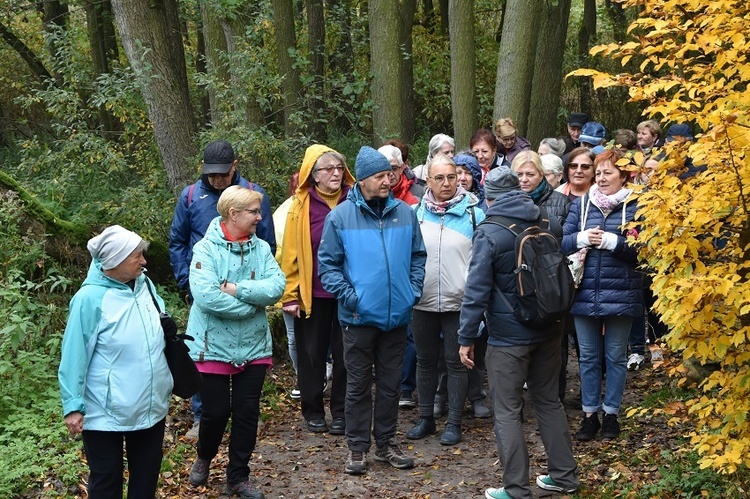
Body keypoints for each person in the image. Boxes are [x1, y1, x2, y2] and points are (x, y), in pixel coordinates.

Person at [458, 167, 579, 499]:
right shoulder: (546, 222)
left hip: (508, 338)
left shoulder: (490, 232)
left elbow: (476, 289)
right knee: (548, 402)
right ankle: (564, 478)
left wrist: (466, 337)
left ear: (489, 195)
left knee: (508, 409)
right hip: (550, 328)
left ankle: (515, 489)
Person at [318, 146, 427, 475]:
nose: (387, 180)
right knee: (358, 385)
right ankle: (357, 448)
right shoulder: (340, 217)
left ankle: (385, 443)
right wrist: (352, 298)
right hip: (357, 318)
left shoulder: (405, 213)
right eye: (380, 176)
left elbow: (417, 257)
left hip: (396, 317)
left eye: (389, 175)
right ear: (363, 180)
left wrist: (412, 291)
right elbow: (328, 267)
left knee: (392, 384)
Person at [169, 139, 276, 439]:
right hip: (205, 286)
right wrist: (186, 283)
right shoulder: (191, 196)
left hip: (243, 285)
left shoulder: (254, 196)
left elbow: (267, 244)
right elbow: (178, 242)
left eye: (222, 173)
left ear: (234, 166)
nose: (216, 178)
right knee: (205, 352)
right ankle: (203, 416)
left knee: (245, 349)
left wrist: (253, 290)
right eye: (211, 173)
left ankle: (244, 415)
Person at [186, 186, 285, 499]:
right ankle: (205, 454)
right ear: (233, 214)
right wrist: (253, 304)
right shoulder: (205, 250)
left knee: (246, 413)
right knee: (215, 412)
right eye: (254, 212)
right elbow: (207, 296)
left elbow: (277, 286)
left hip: (254, 345)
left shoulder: (261, 249)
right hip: (211, 344)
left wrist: (238, 289)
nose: (259, 217)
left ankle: (238, 478)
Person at [59, 225, 172, 498]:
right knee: (107, 481)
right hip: (105, 411)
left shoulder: (145, 284)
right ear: (114, 261)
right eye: (137, 256)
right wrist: (73, 404)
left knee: (145, 480)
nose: (144, 261)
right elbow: (74, 354)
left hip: (150, 405)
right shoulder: (89, 299)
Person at [562, 149, 643, 441]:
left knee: (615, 357)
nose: (601, 177)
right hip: (583, 293)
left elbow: (644, 252)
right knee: (588, 357)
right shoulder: (583, 205)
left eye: (608, 172)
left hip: (622, 293)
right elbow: (560, 241)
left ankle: (611, 414)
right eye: (599, 172)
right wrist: (581, 239)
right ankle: (589, 415)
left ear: (624, 175)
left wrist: (614, 243)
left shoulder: (636, 206)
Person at [405, 153, 486, 446]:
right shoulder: (415, 214)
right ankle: (426, 417)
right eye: (439, 178)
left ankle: (454, 422)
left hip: (459, 302)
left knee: (456, 362)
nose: (447, 183)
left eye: (452, 177)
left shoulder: (475, 214)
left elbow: (482, 261)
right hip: (422, 301)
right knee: (425, 361)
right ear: (428, 180)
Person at [280, 145, 355, 435]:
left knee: (346, 355)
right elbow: (290, 253)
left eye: (339, 168)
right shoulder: (300, 205)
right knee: (311, 355)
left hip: (349, 293)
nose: (336, 173)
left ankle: (341, 413)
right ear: (314, 175)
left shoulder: (355, 199)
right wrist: (290, 294)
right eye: (328, 169)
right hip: (313, 293)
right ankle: (312, 411)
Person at [511, 151, 571, 403]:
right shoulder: (507, 203)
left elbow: (566, 241)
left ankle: (553, 395)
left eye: (530, 174)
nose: (524, 180)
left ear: (541, 175)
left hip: (551, 279)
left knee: (555, 342)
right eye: (519, 174)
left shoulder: (560, 202)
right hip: (519, 280)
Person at [273, 172, 301, 399]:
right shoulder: (282, 214)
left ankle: (319, 371)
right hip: (289, 284)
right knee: (293, 336)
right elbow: (275, 252)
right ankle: (303, 376)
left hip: (319, 285)